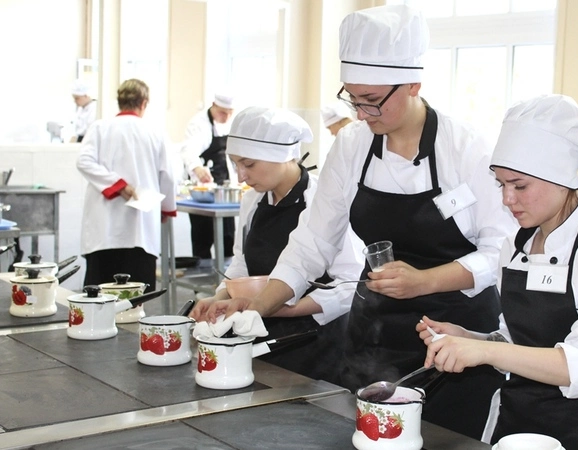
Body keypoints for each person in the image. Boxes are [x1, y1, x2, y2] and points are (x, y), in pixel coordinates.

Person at [192, 4, 516, 439]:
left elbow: (502, 251)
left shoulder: (466, 148)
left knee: (447, 441)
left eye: (372, 101)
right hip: (376, 335)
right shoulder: (352, 145)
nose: (361, 113)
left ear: (414, 84)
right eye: (353, 98)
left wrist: (426, 280)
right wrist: (256, 308)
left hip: (456, 338)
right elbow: (311, 242)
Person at [418, 94, 578, 449]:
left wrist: (486, 353)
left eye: (520, 186)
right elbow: (515, 341)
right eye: (501, 184)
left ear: (562, 180)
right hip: (517, 422)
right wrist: (471, 339)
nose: (507, 199)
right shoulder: (514, 246)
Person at [195, 106, 364, 380]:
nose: (240, 176)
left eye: (249, 164)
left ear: (282, 155)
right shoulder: (252, 201)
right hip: (259, 336)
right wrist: (219, 298)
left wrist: (282, 307)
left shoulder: (322, 201)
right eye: (235, 164)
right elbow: (241, 265)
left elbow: (349, 286)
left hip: (317, 345)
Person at [76, 79, 176, 292]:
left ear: (119, 101)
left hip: (103, 231)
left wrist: (116, 185)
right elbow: (168, 176)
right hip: (140, 231)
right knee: (137, 298)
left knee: (99, 296)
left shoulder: (100, 128)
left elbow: (84, 161)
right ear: (144, 103)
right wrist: (165, 208)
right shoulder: (155, 132)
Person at [180, 91, 236, 260]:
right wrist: (198, 169)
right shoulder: (199, 124)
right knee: (202, 239)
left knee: (228, 238)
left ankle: (228, 274)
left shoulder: (231, 124)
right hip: (203, 192)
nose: (226, 117)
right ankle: (201, 274)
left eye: (229, 113)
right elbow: (188, 151)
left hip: (225, 193)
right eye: (222, 113)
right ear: (213, 106)